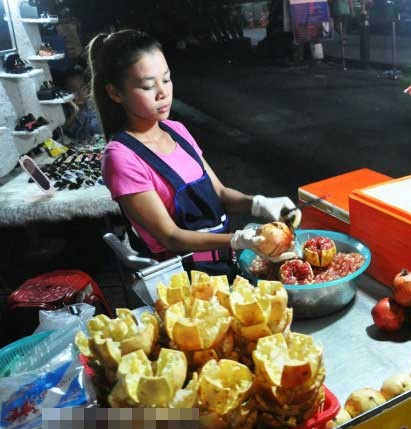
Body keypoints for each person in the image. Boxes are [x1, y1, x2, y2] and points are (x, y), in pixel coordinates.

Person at [87, 29, 299, 275]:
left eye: (166, 79)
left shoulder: (176, 130)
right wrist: (238, 240)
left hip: (223, 265)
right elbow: (171, 237)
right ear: (115, 93)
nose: (162, 92)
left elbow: (220, 193)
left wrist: (259, 204)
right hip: (183, 279)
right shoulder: (121, 158)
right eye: (147, 86)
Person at [63, 66, 102, 141]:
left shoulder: (94, 104)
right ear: (66, 92)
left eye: (82, 87)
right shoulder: (64, 111)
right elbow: (62, 132)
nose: (80, 93)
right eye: (73, 90)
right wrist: (75, 112)